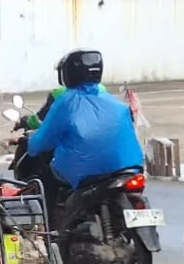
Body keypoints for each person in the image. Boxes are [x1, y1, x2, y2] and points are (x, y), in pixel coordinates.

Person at [25, 50, 143, 207]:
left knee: (47, 177)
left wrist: (31, 144)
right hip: (129, 166)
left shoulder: (66, 102)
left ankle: (51, 228)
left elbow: (41, 142)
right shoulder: (113, 102)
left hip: (86, 171)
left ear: (67, 74)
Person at [17, 55, 118, 131]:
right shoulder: (103, 91)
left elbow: (42, 121)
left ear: (69, 73)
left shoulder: (60, 94)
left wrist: (26, 122)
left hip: (73, 152)